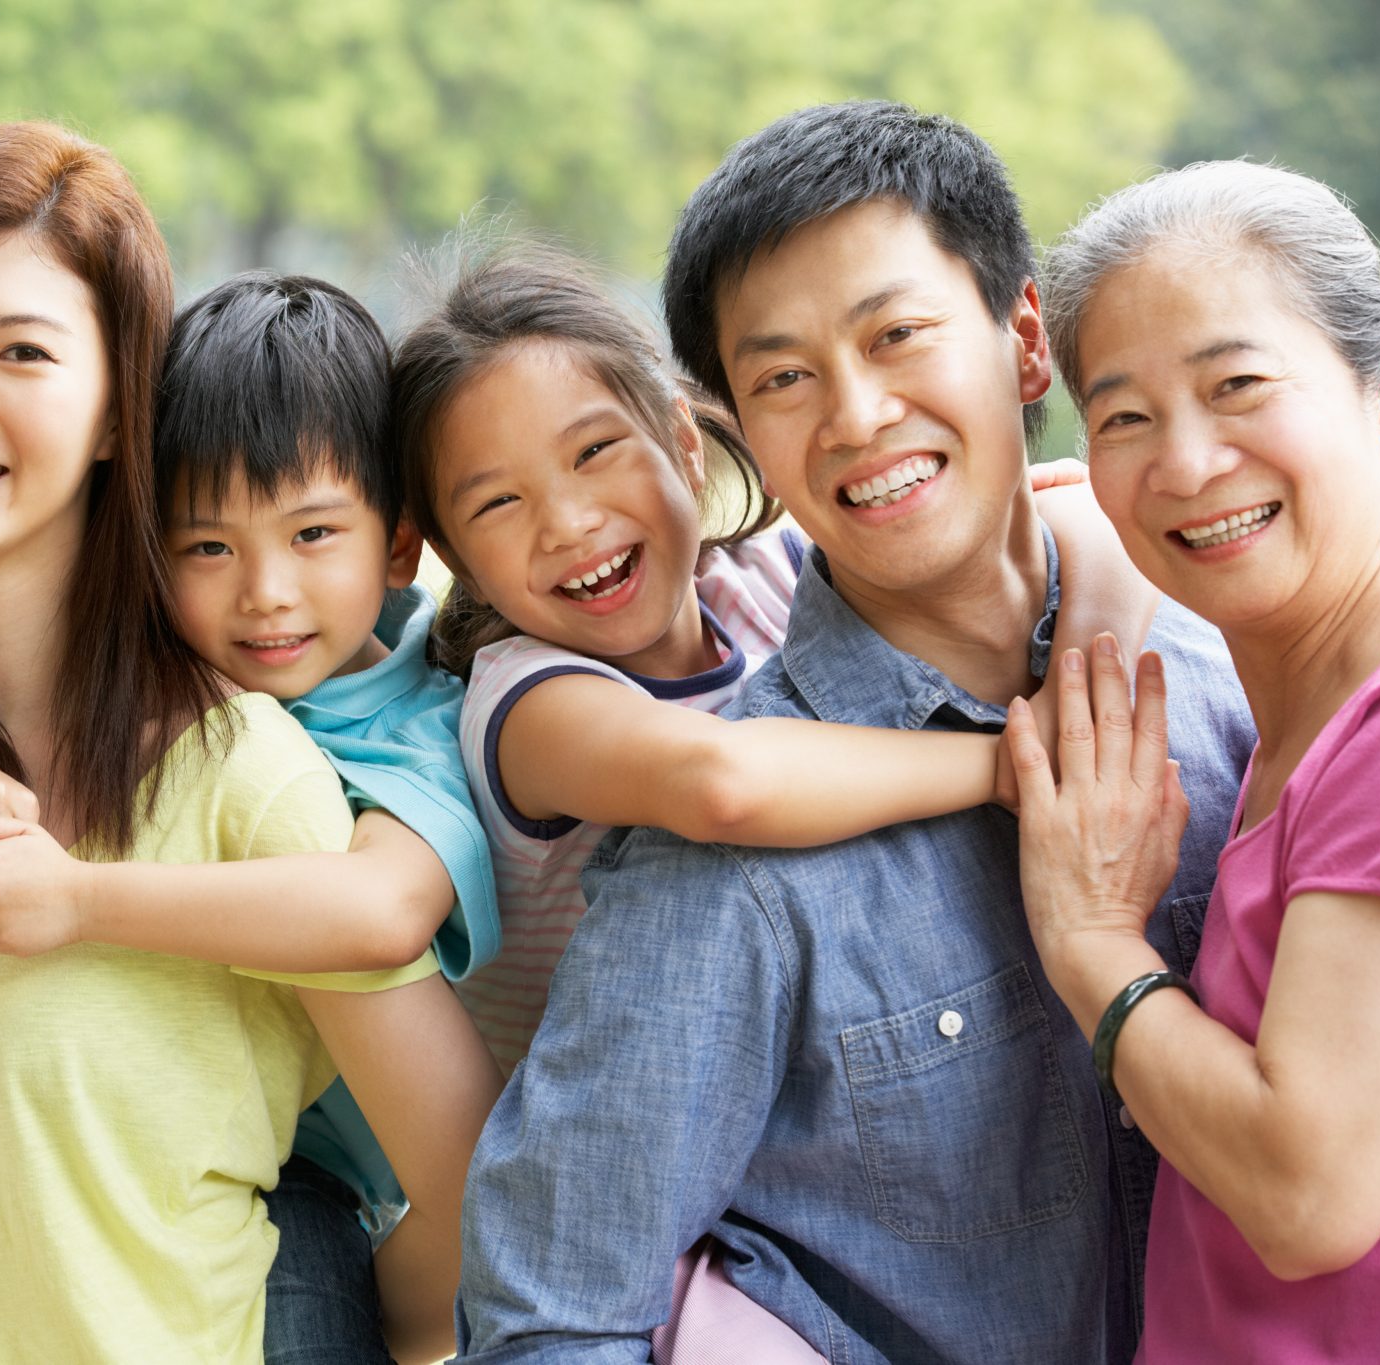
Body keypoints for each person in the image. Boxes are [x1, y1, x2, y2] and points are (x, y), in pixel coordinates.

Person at [453, 102, 1256, 1363]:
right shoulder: (721, 865)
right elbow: (548, 1324)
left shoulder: (1223, 676)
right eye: (781, 378)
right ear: (737, 429)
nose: (857, 416)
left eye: (897, 335)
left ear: (1024, 338)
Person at [0, 124, 487, 1365]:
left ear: (119, 414)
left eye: (23, 352)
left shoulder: (244, 780)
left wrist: (324, 1327)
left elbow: (479, 1190)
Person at [388, 245, 1153, 1078]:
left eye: (594, 452)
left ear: (683, 444)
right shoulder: (527, 703)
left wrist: (1078, 697)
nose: (568, 523)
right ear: (454, 556)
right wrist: (1015, 760)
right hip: (626, 1104)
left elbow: (1086, 511)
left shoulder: (763, 573)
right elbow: (724, 783)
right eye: (498, 502)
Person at [1010, 160, 1380, 1363]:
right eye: (1124, 418)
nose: (1184, 466)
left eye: (1236, 385)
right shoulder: (1305, 698)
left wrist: (1092, 946)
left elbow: (1306, 1200)